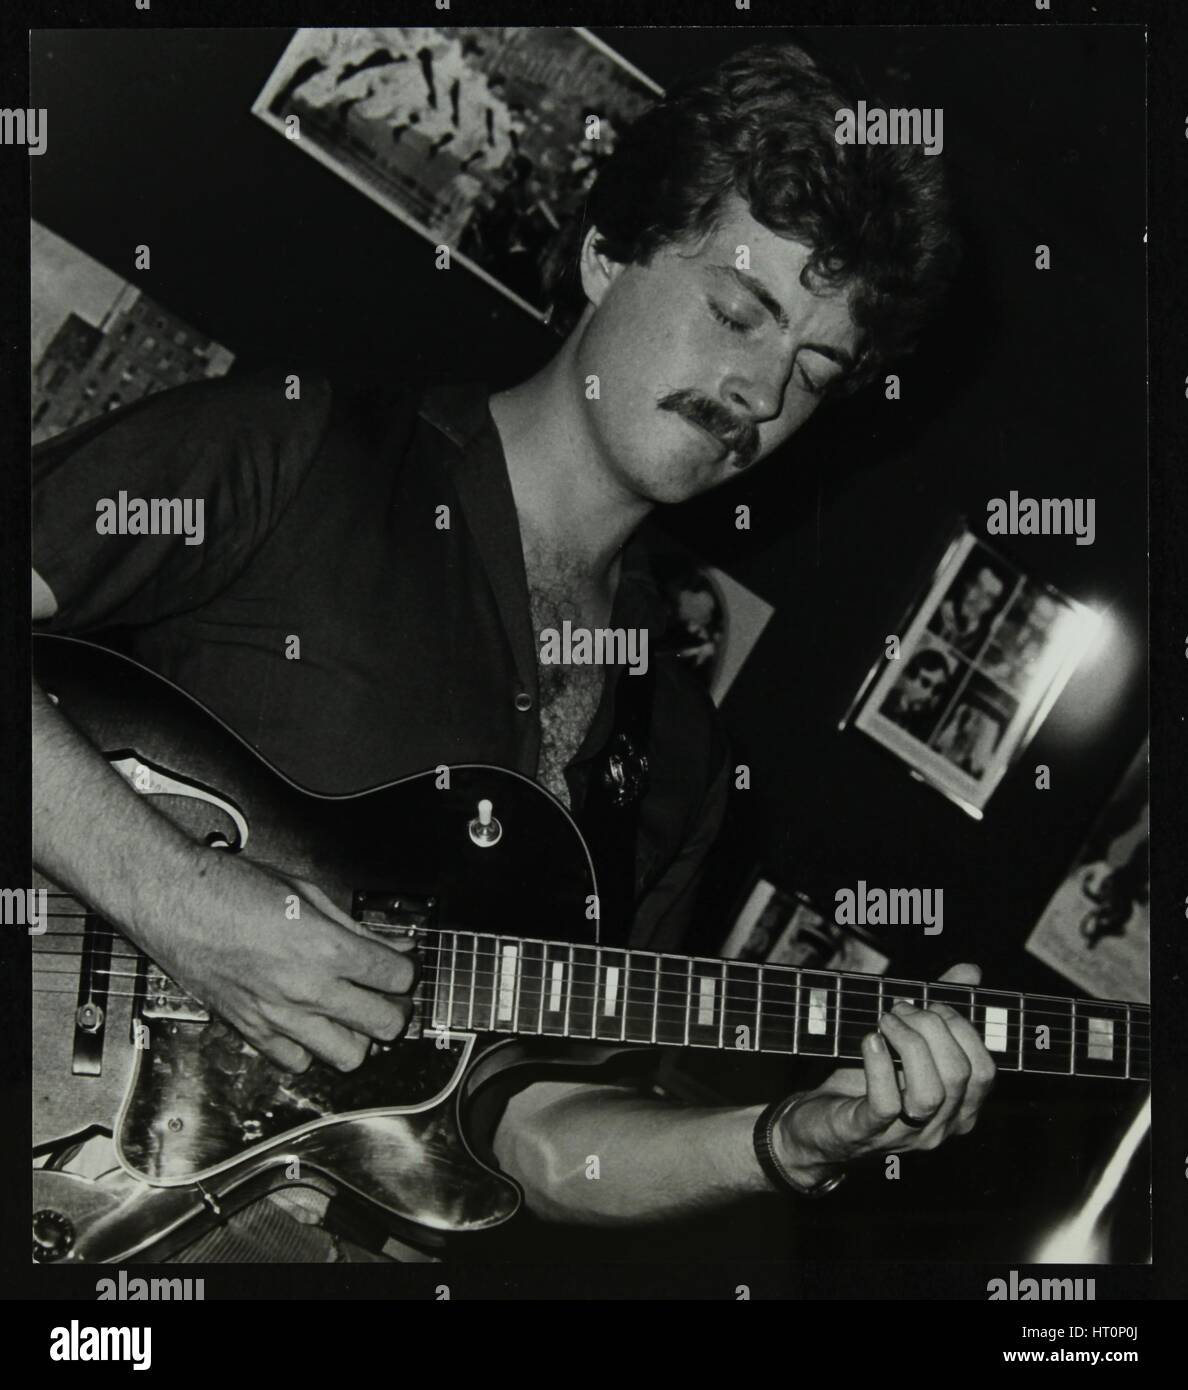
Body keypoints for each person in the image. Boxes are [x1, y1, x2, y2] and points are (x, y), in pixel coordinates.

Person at [32, 39, 995, 1260]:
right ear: (606, 252)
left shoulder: (681, 752)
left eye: (812, 372)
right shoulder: (299, 452)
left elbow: (534, 1134)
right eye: (739, 310)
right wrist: (174, 897)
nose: (758, 386)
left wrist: (790, 1139)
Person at [880, 648, 953, 742]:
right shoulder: (883, 697)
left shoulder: (926, 724)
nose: (930, 695)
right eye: (926, 683)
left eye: (925, 682)